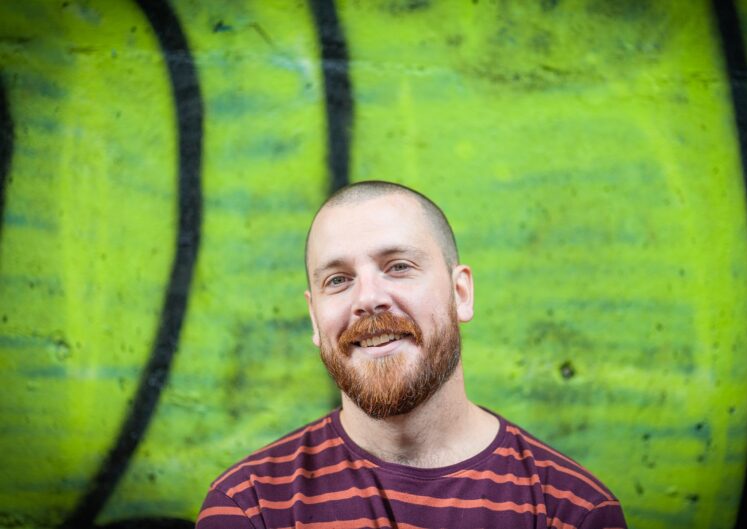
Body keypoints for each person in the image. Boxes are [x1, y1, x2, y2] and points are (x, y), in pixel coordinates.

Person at [196, 181, 627, 529]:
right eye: (338, 280)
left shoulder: (570, 511)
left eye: (398, 266)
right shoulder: (251, 507)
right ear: (314, 317)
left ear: (461, 293)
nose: (368, 299)